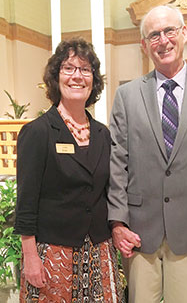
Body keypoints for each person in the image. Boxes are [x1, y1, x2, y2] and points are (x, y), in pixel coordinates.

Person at [108, 4, 187, 303]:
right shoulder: (127, 96)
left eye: (169, 31)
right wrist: (117, 222)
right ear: (144, 45)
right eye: (154, 35)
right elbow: (118, 164)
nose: (163, 41)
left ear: (184, 34)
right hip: (140, 234)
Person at [14, 37, 124, 302]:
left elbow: (109, 190)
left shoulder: (102, 134)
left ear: (93, 80)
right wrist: (30, 257)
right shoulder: (37, 132)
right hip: (53, 253)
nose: (78, 76)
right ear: (56, 77)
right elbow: (26, 202)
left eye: (86, 70)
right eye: (69, 68)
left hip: (99, 251)